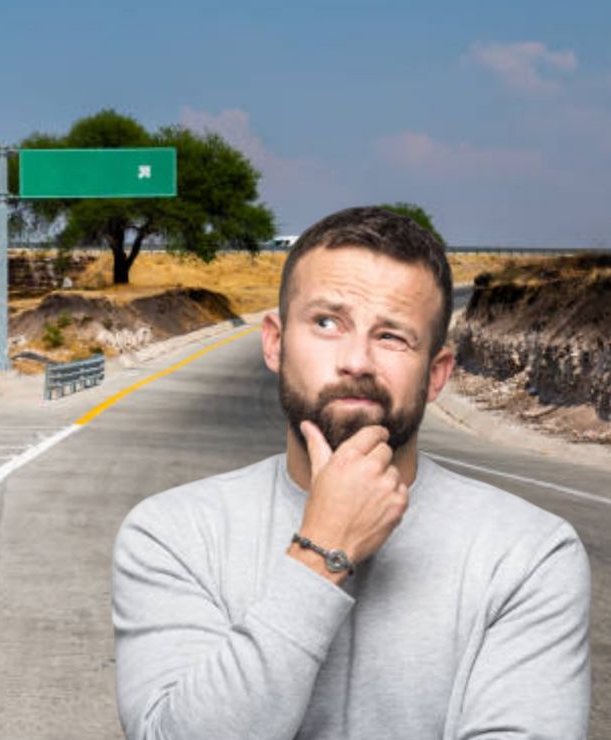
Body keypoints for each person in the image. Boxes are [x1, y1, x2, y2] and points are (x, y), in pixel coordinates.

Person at [112, 206, 591, 739]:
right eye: (326, 323)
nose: (357, 361)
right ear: (274, 343)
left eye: (392, 336)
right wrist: (322, 553)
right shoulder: (172, 534)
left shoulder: (530, 553)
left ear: (436, 375)